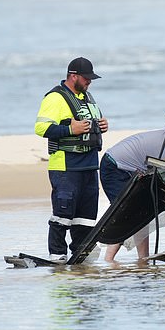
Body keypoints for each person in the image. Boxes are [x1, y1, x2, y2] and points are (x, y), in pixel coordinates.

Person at [34, 57, 108, 263]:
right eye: (86, 78)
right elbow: (40, 128)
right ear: (73, 76)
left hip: (90, 164)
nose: (89, 82)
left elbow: (90, 123)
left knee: (86, 216)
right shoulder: (55, 98)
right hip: (66, 166)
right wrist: (69, 129)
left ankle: (81, 254)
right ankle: (57, 255)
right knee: (63, 213)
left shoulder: (87, 96)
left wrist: (101, 125)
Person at [99, 129, 165, 262]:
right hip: (115, 166)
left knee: (142, 214)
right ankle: (108, 260)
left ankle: (143, 259)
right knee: (124, 214)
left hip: (132, 167)